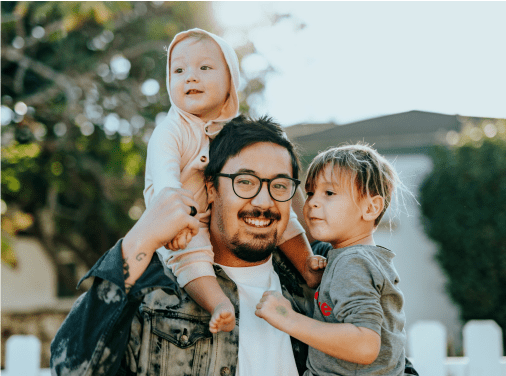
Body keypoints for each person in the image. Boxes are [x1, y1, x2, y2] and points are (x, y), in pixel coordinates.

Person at [51, 115, 318, 376]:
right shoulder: (153, 292)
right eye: (245, 182)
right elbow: (71, 369)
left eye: (280, 186)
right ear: (211, 188)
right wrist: (140, 238)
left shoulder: (320, 286)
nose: (263, 202)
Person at [143, 28, 323, 334]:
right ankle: (218, 303)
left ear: (230, 83)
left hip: (212, 214)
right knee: (191, 257)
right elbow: (165, 182)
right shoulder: (170, 131)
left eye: (204, 68)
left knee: (283, 214)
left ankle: (308, 265)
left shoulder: (233, 133)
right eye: (179, 70)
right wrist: (176, 222)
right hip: (180, 221)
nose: (191, 77)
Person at [256, 143, 411, 375]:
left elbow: (365, 345)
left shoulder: (353, 263)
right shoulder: (356, 259)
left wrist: (288, 319)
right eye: (310, 193)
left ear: (370, 208)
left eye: (329, 193)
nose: (312, 203)